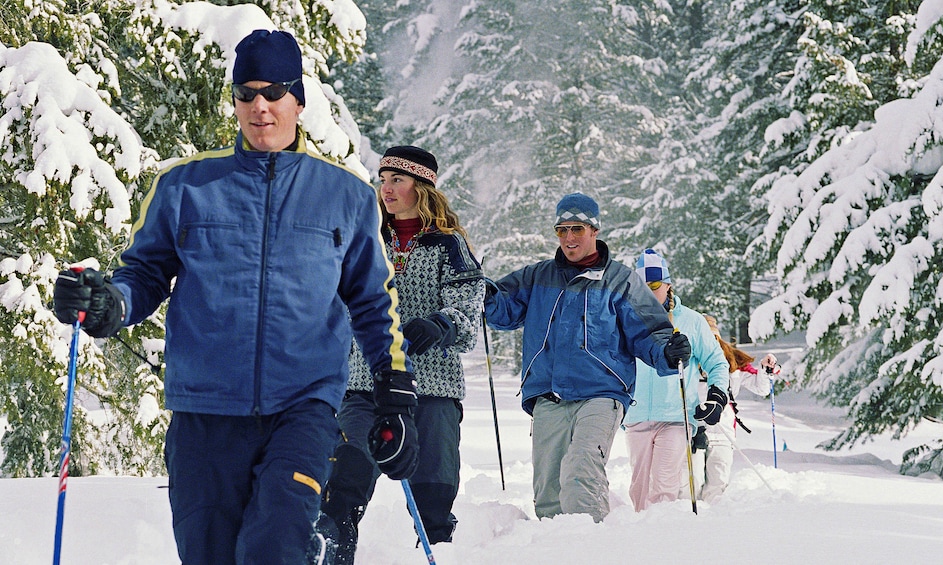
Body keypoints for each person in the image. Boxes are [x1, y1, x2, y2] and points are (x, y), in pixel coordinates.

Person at [51, 30, 419, 565]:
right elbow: (144, 275)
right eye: (246, 93)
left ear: (299, 99)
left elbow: (372, 300)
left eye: (274, 91)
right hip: (204, 411)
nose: (260, 106)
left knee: (275, 543)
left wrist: (394, 385)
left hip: (303, 405)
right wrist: (110, 304)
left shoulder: (347, 196)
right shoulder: (185, 186)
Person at [318, 146, 484, 562]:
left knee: (434, 497)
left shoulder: (450, 245)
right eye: (383, 179)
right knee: (342, 485)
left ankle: (438, 551)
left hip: (432, 387)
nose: (386, 188)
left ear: (422, 187)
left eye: (398, 180)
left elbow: (468, 309)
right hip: (364, 384)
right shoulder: (363, 239)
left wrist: (439, 324)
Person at [483, 193, 692, 523]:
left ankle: (593, 549)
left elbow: (650, 332)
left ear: (594, 230)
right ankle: (556, 552)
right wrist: (479, 291)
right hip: (548, 394)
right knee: (549, 492)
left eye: (576, 229)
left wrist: (668, 352)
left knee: (581, 471)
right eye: (561, 230)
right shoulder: (537, 277)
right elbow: (500, 311)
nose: (568, 238)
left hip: (600, 393)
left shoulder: (621, 281)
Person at [622, 249, 731, 512]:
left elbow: (717, 362)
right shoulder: (625, 319)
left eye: (655, 285)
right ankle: (638, 541)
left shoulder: (691, 321)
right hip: (635, 417)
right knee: (639, 491)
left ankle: (663, 540)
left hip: (675, 416)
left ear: (669, 284)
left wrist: (716, 398)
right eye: (642, 286)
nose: (649, 291)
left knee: (664, 486)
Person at [701, 314, 780, 502]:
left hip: (723, 433)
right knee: (689, 487)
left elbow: (761, 387)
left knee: (717, 486)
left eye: (713, 338)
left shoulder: (733, 364)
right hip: (692, 430)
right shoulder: (686, 359)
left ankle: (710, 525)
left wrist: (766, 369)